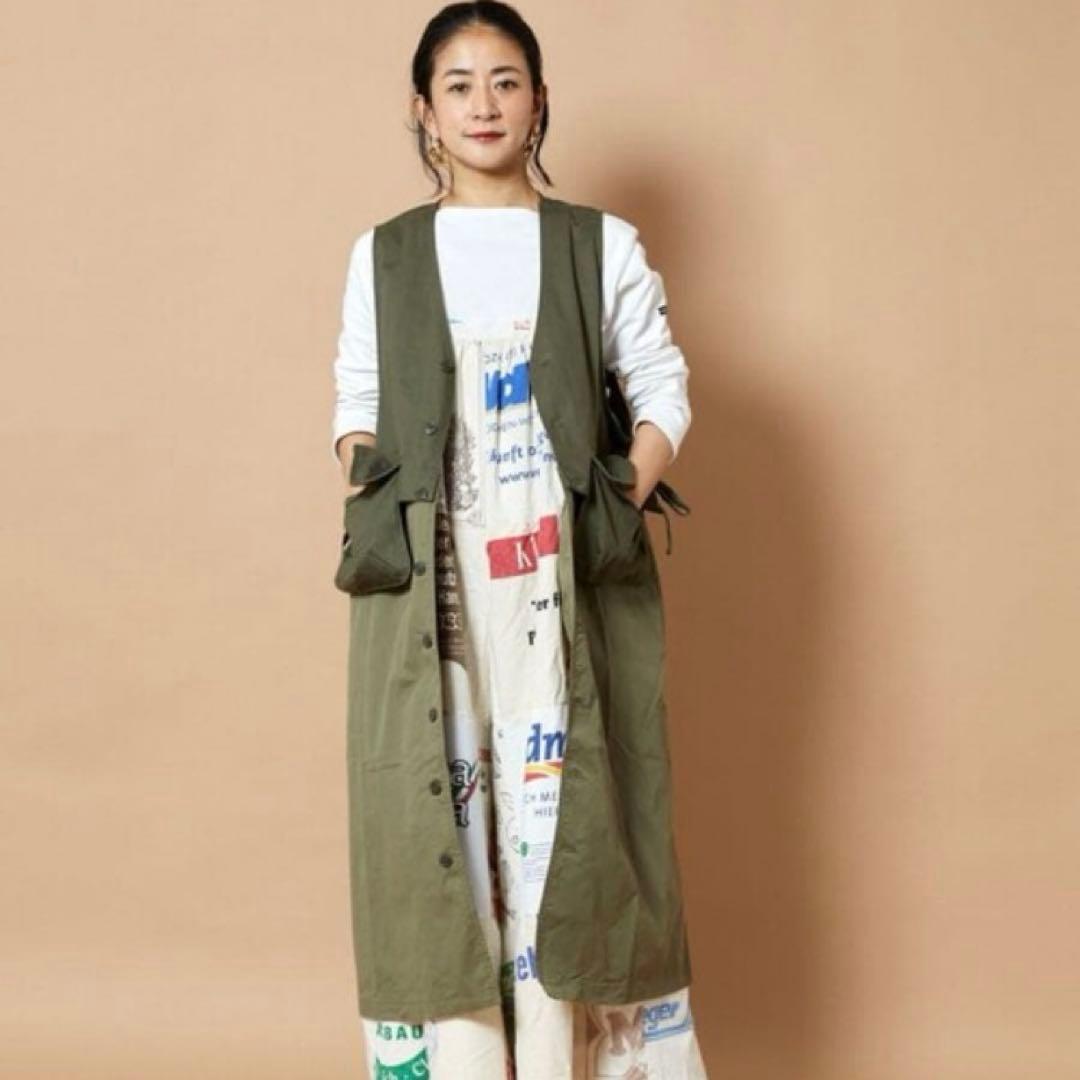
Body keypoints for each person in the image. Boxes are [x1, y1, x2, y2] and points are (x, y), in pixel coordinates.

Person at [331, 3, 708, 1077]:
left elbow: (664, 388)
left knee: (576, 821)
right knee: (436, 821)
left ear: (539, 100)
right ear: (424, 110)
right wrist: (392, 492)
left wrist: (613, 499)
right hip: (432, 580)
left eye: (505, 81)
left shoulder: (600, 243)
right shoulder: (387, 255)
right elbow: (355, 406)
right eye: (458, 85)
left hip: (566, 572)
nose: (483, 105)